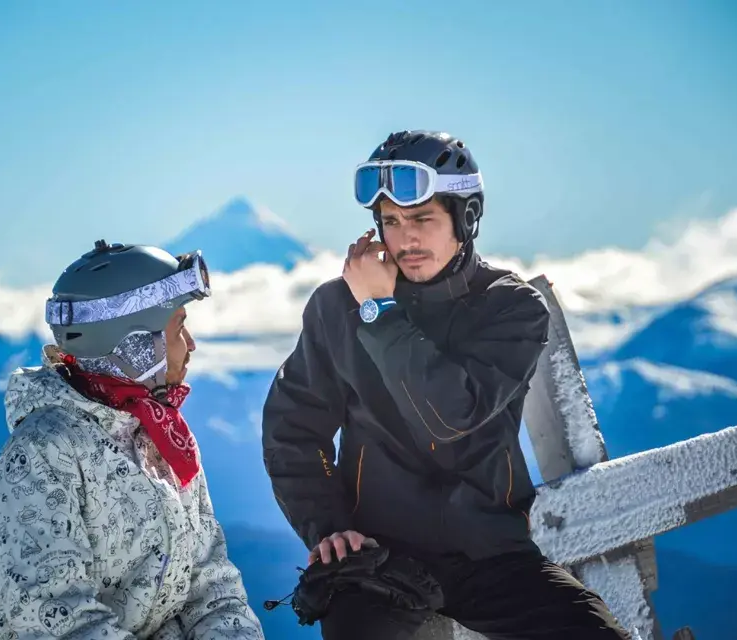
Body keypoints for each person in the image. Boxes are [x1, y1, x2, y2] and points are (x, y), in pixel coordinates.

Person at [261, 131, 631, 639]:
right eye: (390, 222)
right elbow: (292, 429)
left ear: (466, 218)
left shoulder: (511, 308)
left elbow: (448, 415)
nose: (405, 239)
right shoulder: (336, 307)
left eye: (421, 219)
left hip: (490, 555)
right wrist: (327, 526)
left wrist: (379, 313)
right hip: (377, 560)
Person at [0, 240, 264, 640]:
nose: (192, 345)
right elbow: (54, 619)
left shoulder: (164, 441)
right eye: (180, 326)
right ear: (136, 345)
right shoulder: (45, 454)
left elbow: (212, 590)